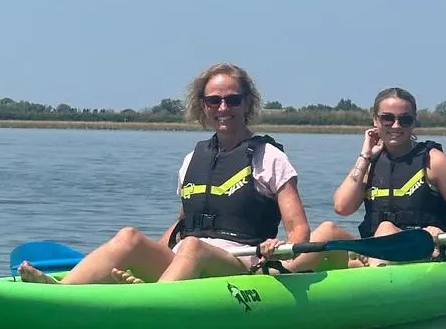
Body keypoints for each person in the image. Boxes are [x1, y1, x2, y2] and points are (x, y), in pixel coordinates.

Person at [17, 63, 311, 284]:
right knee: (129, 237)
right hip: (187, 257)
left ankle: (152, 302)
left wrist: (278, 247)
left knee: (194, 248)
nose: (223, 107)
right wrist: (148, 254)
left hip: (241, 266)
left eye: (233, 100)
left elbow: (299, 230)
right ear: (203, 106)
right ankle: (60, 292)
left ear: (247, 103)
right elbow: (185, 223)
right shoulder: (192, 160)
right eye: (214, 101)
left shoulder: (269, 157)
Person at [303, 86, 446, 266]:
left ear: (414, 123)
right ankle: (283, 274)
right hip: (373, 251)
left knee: (385, 228)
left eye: (405, 120)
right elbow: (342, 207)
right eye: (387, 118)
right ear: (375, 120)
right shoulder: (370, 162)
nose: (396, 126)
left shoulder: (434, 161)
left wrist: (441, 238)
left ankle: (372, 276)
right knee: (328, 230)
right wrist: (365, 155)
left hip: (422, 253)